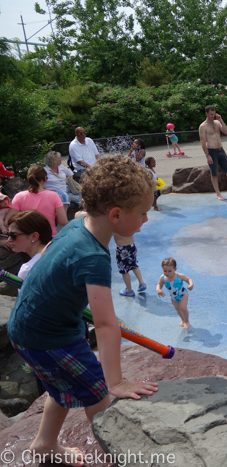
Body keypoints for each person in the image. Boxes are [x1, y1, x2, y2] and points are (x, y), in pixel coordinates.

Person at [6, 156, 158, 466]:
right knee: (97, 393)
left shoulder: (79, 224)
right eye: (143, 213)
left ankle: (44, 445)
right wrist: (115, 382)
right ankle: (119, 457)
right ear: (115, 214)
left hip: (31, 327)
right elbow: (104, 324)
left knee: (60, 387)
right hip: (48, 337)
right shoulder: (93, 258)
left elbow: (79, 216)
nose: (146, 219)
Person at [7, 165, 68, 236]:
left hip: (28, 238)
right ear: (45, 178)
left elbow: (8, 221)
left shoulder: (19, 196)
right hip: (48, 238)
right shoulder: (54, 196)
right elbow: (63, 221)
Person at [199, 105, 227, 201]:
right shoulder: (203, 126)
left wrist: (221, 120)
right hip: (211, 151)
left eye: (214, 114)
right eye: (211, 114)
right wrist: (207, 155)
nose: (213, 116)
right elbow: (202, 142)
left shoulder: (217, 122)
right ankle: (218, 193)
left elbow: (226, 132)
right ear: (206, 113)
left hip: (221, 149)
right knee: (214, 173)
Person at [5, 210, 53, 280]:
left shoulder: (28, 269)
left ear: (34, 236)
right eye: (8, 234)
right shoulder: (58, 252)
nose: (9, 240)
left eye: (13, 235)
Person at [156, 257, 194, 329]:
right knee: (177, 309)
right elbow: (159, 284)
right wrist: (158, 289)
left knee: (182, 308)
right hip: (173, 297)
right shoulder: (163, 277)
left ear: (175, 269)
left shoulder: (179, 276)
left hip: (183, 294)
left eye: (169, 271)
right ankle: (182, 319)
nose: (167, 273)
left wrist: (191, 284)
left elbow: (188, 279)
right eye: (165, 270)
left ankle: (186, 321)